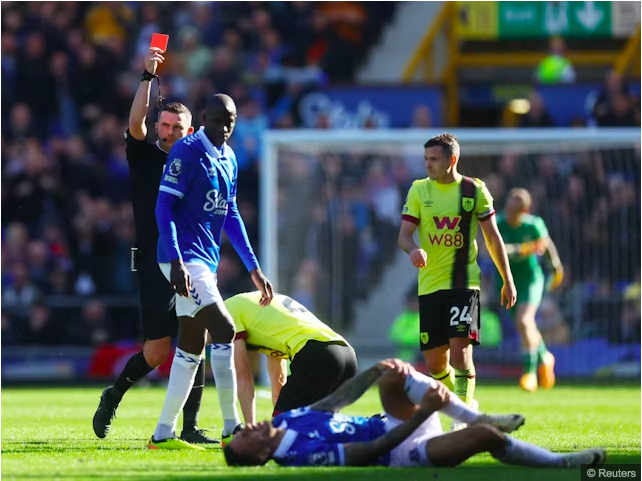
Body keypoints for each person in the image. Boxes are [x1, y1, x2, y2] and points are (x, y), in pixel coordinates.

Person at [93, 47, 215, 444]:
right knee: (158, 351)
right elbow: (134, 123)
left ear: (189, 131)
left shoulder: (199, 161)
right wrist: (147, 77)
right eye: (163, 125)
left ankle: (192, 426)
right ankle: (113, 395)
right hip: (152, 261)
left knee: (198, 339)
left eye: (175, 128)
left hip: (191, 260)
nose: (166, 132)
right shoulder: (145, 156)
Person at [149, 93, 274, 451]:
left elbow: (231, 214)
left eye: (230, 121)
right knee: (224, 328)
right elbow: (164, 206)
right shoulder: (187, 152)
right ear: (204, 117)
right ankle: (233, 427)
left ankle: (162, 434)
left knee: (191, 346)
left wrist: (253, 267)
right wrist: (174, 261)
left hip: (205, 261)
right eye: (218, 120)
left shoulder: (230, 157)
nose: (224, 127)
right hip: (183, 259)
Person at [224, 359, 605, 469]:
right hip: (399, 452)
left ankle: (472, 415)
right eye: (248, 436)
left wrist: (372, 372)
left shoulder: (283, 422)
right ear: (260, 456)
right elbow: (369, 454)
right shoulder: (297, 455)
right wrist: (422, 414)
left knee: (395, 373)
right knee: (488, 439)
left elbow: (332, 404)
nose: (253, 426)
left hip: (390, 422)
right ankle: (561, 464)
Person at [397, 133, 516, 429]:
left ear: (452, 160)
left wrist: (507, 279)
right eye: (425, 159)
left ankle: (461, 418)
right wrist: (414, 250)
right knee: (436, 362)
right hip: (430, 285)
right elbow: (403, 235)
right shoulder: (418, 190)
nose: (428, 165)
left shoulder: (474, 190)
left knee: (461, 354)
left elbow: (492, 237)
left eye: (434, 159)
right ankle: (464, 403)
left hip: (465, 285)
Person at [225, 291, 356, 431]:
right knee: (314, 429)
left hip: (318, 355)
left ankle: (374, 428)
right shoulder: (261, 313)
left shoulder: (228, 311)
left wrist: (250, 429)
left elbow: (243, 376)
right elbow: (278, 379)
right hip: (347, 355)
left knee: (279, 436)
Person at [496, 188, 563, 392]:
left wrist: (556, 268)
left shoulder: (533, 225)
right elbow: (492, 246)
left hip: (531, 279)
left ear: (523, 211)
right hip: (508, 280)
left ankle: (530, 374)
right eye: (508, 207)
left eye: (515, 210)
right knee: (525, 326)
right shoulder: (498, 223)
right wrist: (522, 248)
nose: (510, 212)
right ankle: (545, 357)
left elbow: (547, 245)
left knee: (524, 321)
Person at [387, 287, 420, 363]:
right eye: (411, 302)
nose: (413, 304)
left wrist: (404, 340)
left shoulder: (424, 317)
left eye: (415, 302)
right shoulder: (402, 317)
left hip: (419, 357)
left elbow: (419, 336)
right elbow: (393, 334)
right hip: (401, 357)